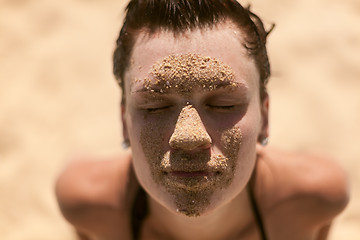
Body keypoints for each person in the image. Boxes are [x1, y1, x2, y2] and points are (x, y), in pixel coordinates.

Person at [55, 0, 349, 239]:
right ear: (123, 122)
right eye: (154, 107)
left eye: (224, 104)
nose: (189, 137)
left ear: (265, 116)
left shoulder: (313, 198)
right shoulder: (88, 203)